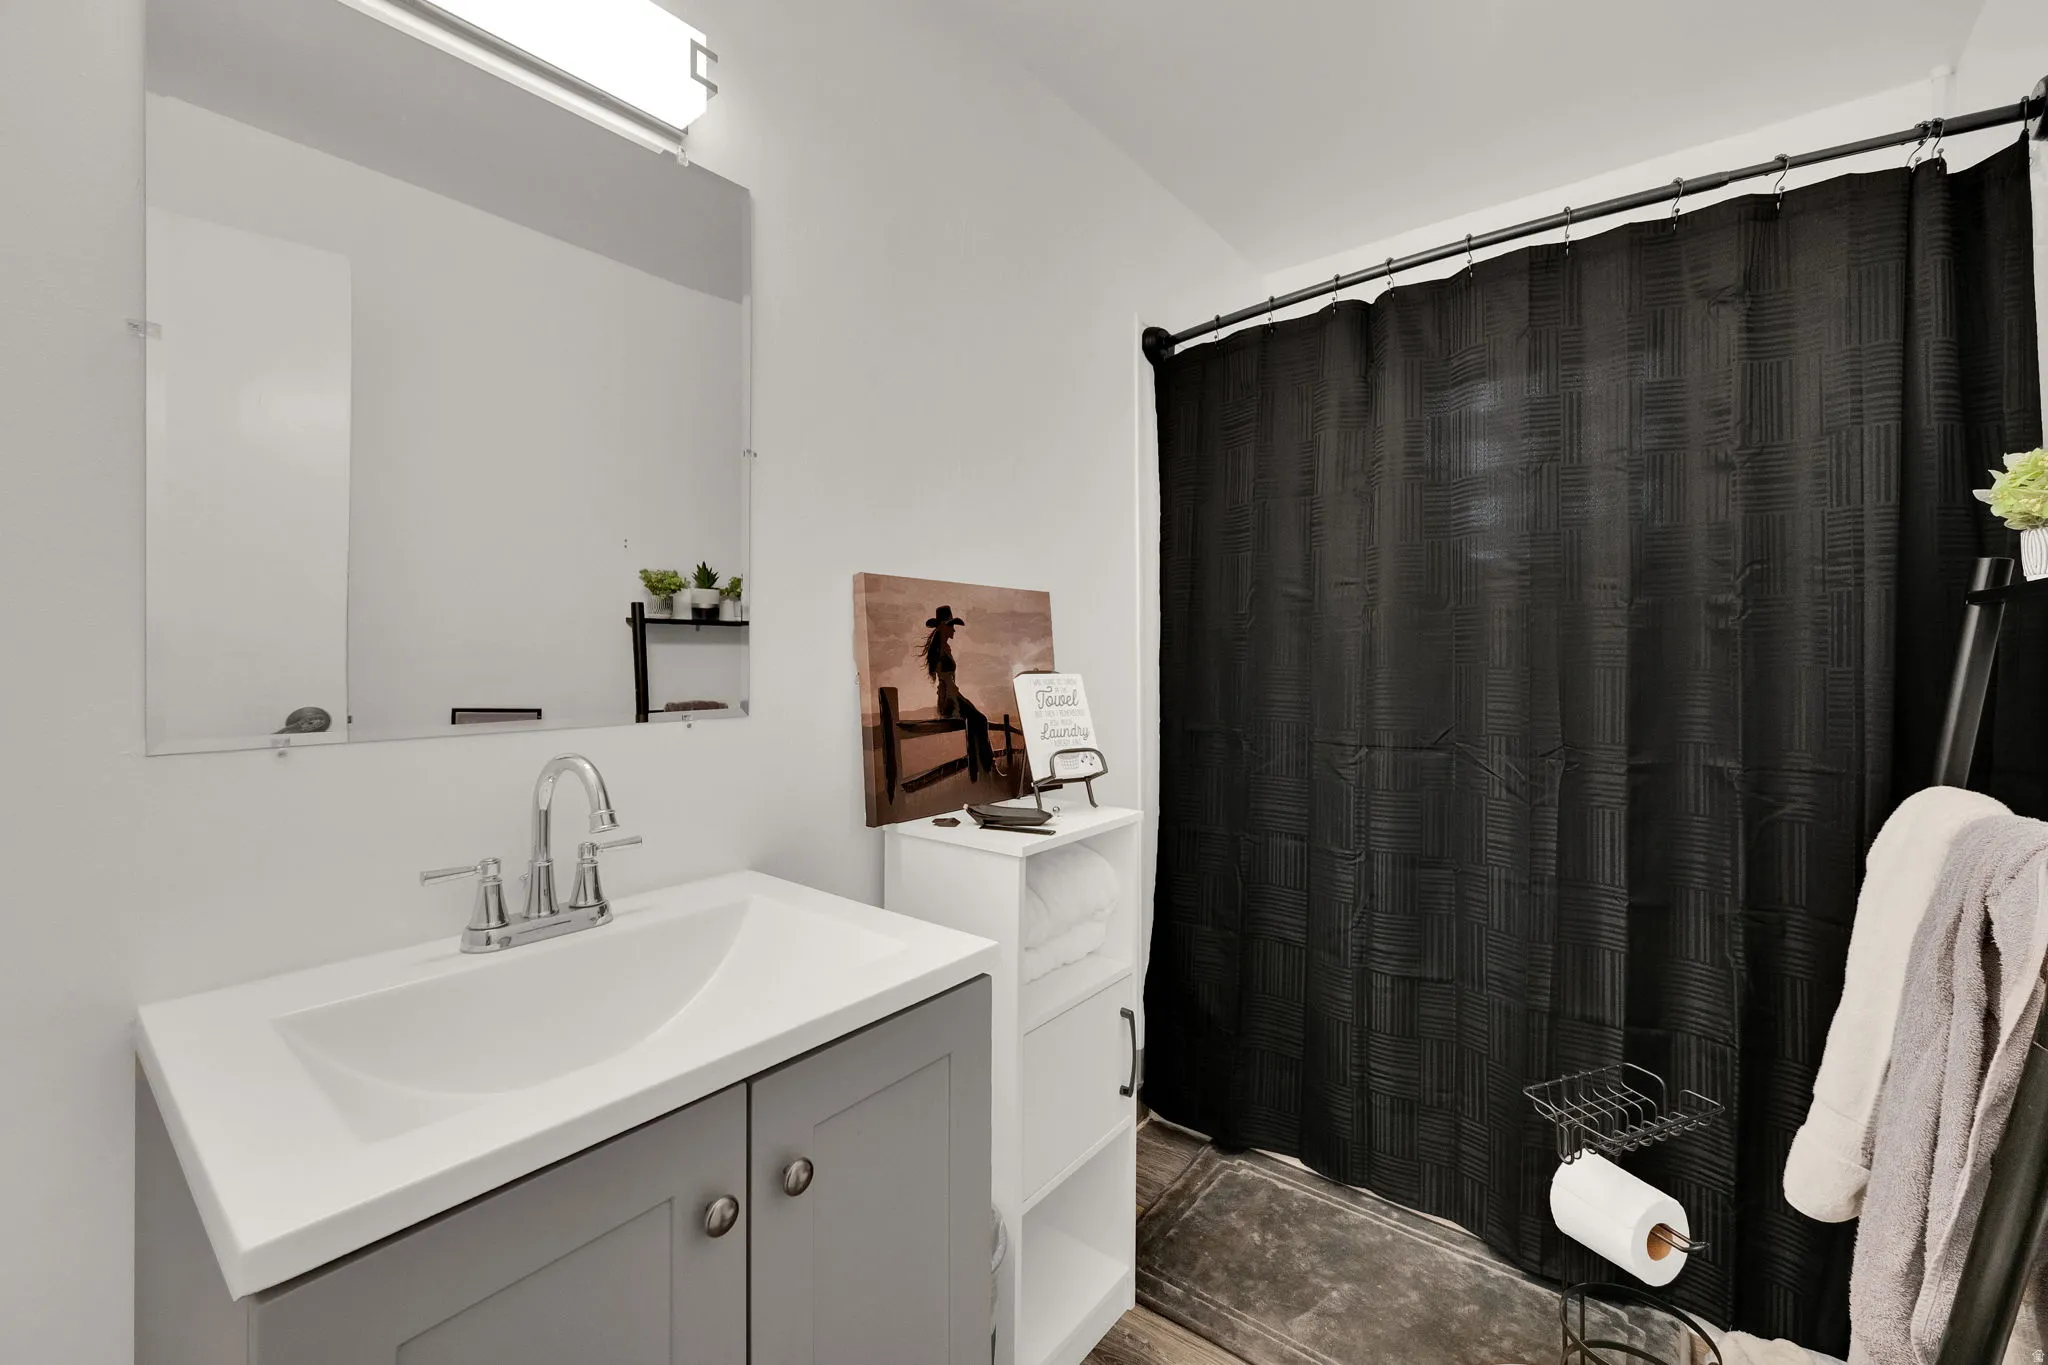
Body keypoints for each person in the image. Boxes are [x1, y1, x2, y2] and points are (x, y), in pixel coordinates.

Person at [922, 606, 999, 779]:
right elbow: (947, 683)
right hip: (950, 699)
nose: (953, 629)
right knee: (980, 719)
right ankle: (987, 767)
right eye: (950, 625)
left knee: (977, 721)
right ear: (942, 627)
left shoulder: (943, 648)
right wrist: (955, 705)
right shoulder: (941, 651)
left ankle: (982, 769)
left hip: (952, 696)